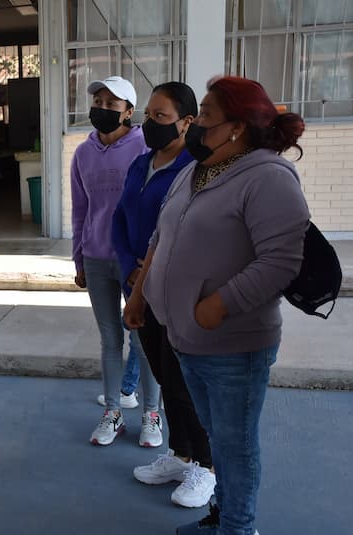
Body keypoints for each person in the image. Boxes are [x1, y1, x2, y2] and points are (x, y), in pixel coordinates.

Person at [124, 76, 310, 535]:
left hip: (232, 343)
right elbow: (160, 235)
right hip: (186, 335)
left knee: (234, 444)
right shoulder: (195, 169)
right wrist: (141, 291)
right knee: (217, 437)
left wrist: (220, 304)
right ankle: (222, 517)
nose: (196, 125)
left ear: (237, 127)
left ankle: (238, 528)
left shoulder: (269, 177)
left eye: (205, 115)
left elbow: (282, 261)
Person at [112, 81, 216, 509]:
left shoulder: (197, 169)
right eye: (147, 114)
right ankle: (180, 454)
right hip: (139, 289)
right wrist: (128, 269)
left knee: (186, 380)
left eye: (161, 116)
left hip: (174, 292)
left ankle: (205, 467)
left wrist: (146, 274)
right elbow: (120, 220)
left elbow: (180, 235)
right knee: (162, 372)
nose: (149, 123)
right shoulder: (141, 164)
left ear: (187, 122)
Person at [71, 75, 162, 447]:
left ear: (129, 112)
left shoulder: (145, 149)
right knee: (110, 338)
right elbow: (81, 210)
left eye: (112, 105)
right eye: (99, 103)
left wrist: (151, 260)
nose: (103, 110)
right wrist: (77, 257)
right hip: (95, 258)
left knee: (143, 339)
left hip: (135, 262)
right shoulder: (83, 153)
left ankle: (151, 415)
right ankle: (112, 413)